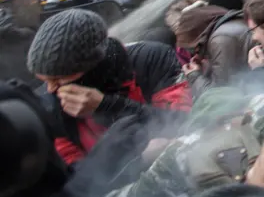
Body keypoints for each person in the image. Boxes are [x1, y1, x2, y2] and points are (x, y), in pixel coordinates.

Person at [28, 9, 192, 165]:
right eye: (44, 80)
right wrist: (135, 160)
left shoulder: (150, 59)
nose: (50, 89)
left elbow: (183, 122)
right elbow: (75, 180)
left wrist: (109, 105)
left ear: (92, 65)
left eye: (58, 79)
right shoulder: (49, 105)